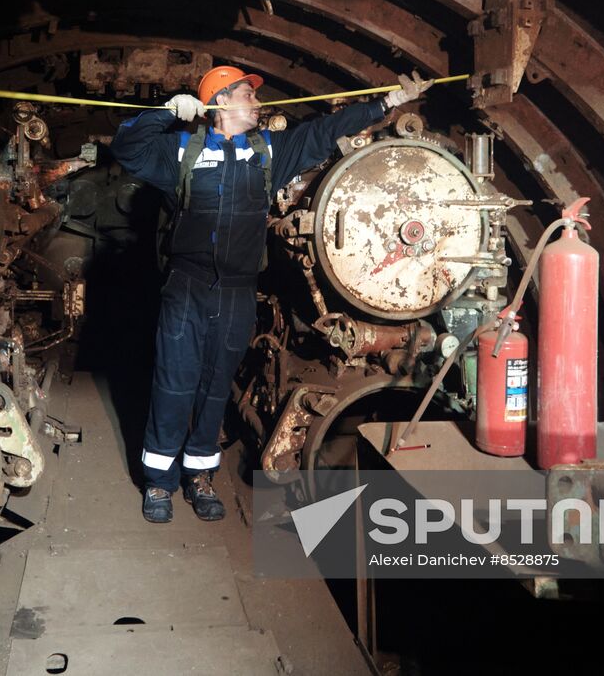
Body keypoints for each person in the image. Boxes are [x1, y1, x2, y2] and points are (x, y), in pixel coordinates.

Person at [112, 65, 426, 523]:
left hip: (238, 292)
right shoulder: (181, 150)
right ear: (221, 102)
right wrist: (162, 113)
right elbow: (127, 148)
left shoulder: (269, 153)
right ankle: (158, 483)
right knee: (173, 382)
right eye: (247, 94)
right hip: (187, 288)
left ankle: (199, 478)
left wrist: (388, 103)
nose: (257, 102)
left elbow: (325, 131)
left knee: (215, 385)